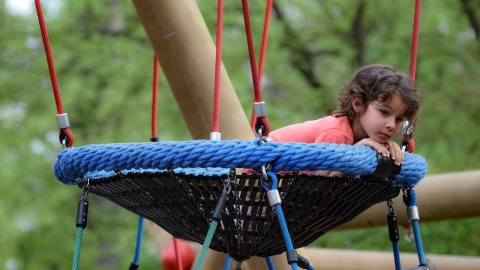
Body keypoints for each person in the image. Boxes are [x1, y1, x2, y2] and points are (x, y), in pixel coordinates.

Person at [269, 64, 421, 177]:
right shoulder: (337, 133)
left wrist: (389, 153)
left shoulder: (369, 137)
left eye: (399, 119)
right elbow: (318, 184)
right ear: (358, 104)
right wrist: (355, 153)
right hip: (260, 176)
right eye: (384, 112)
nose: (391, 125)